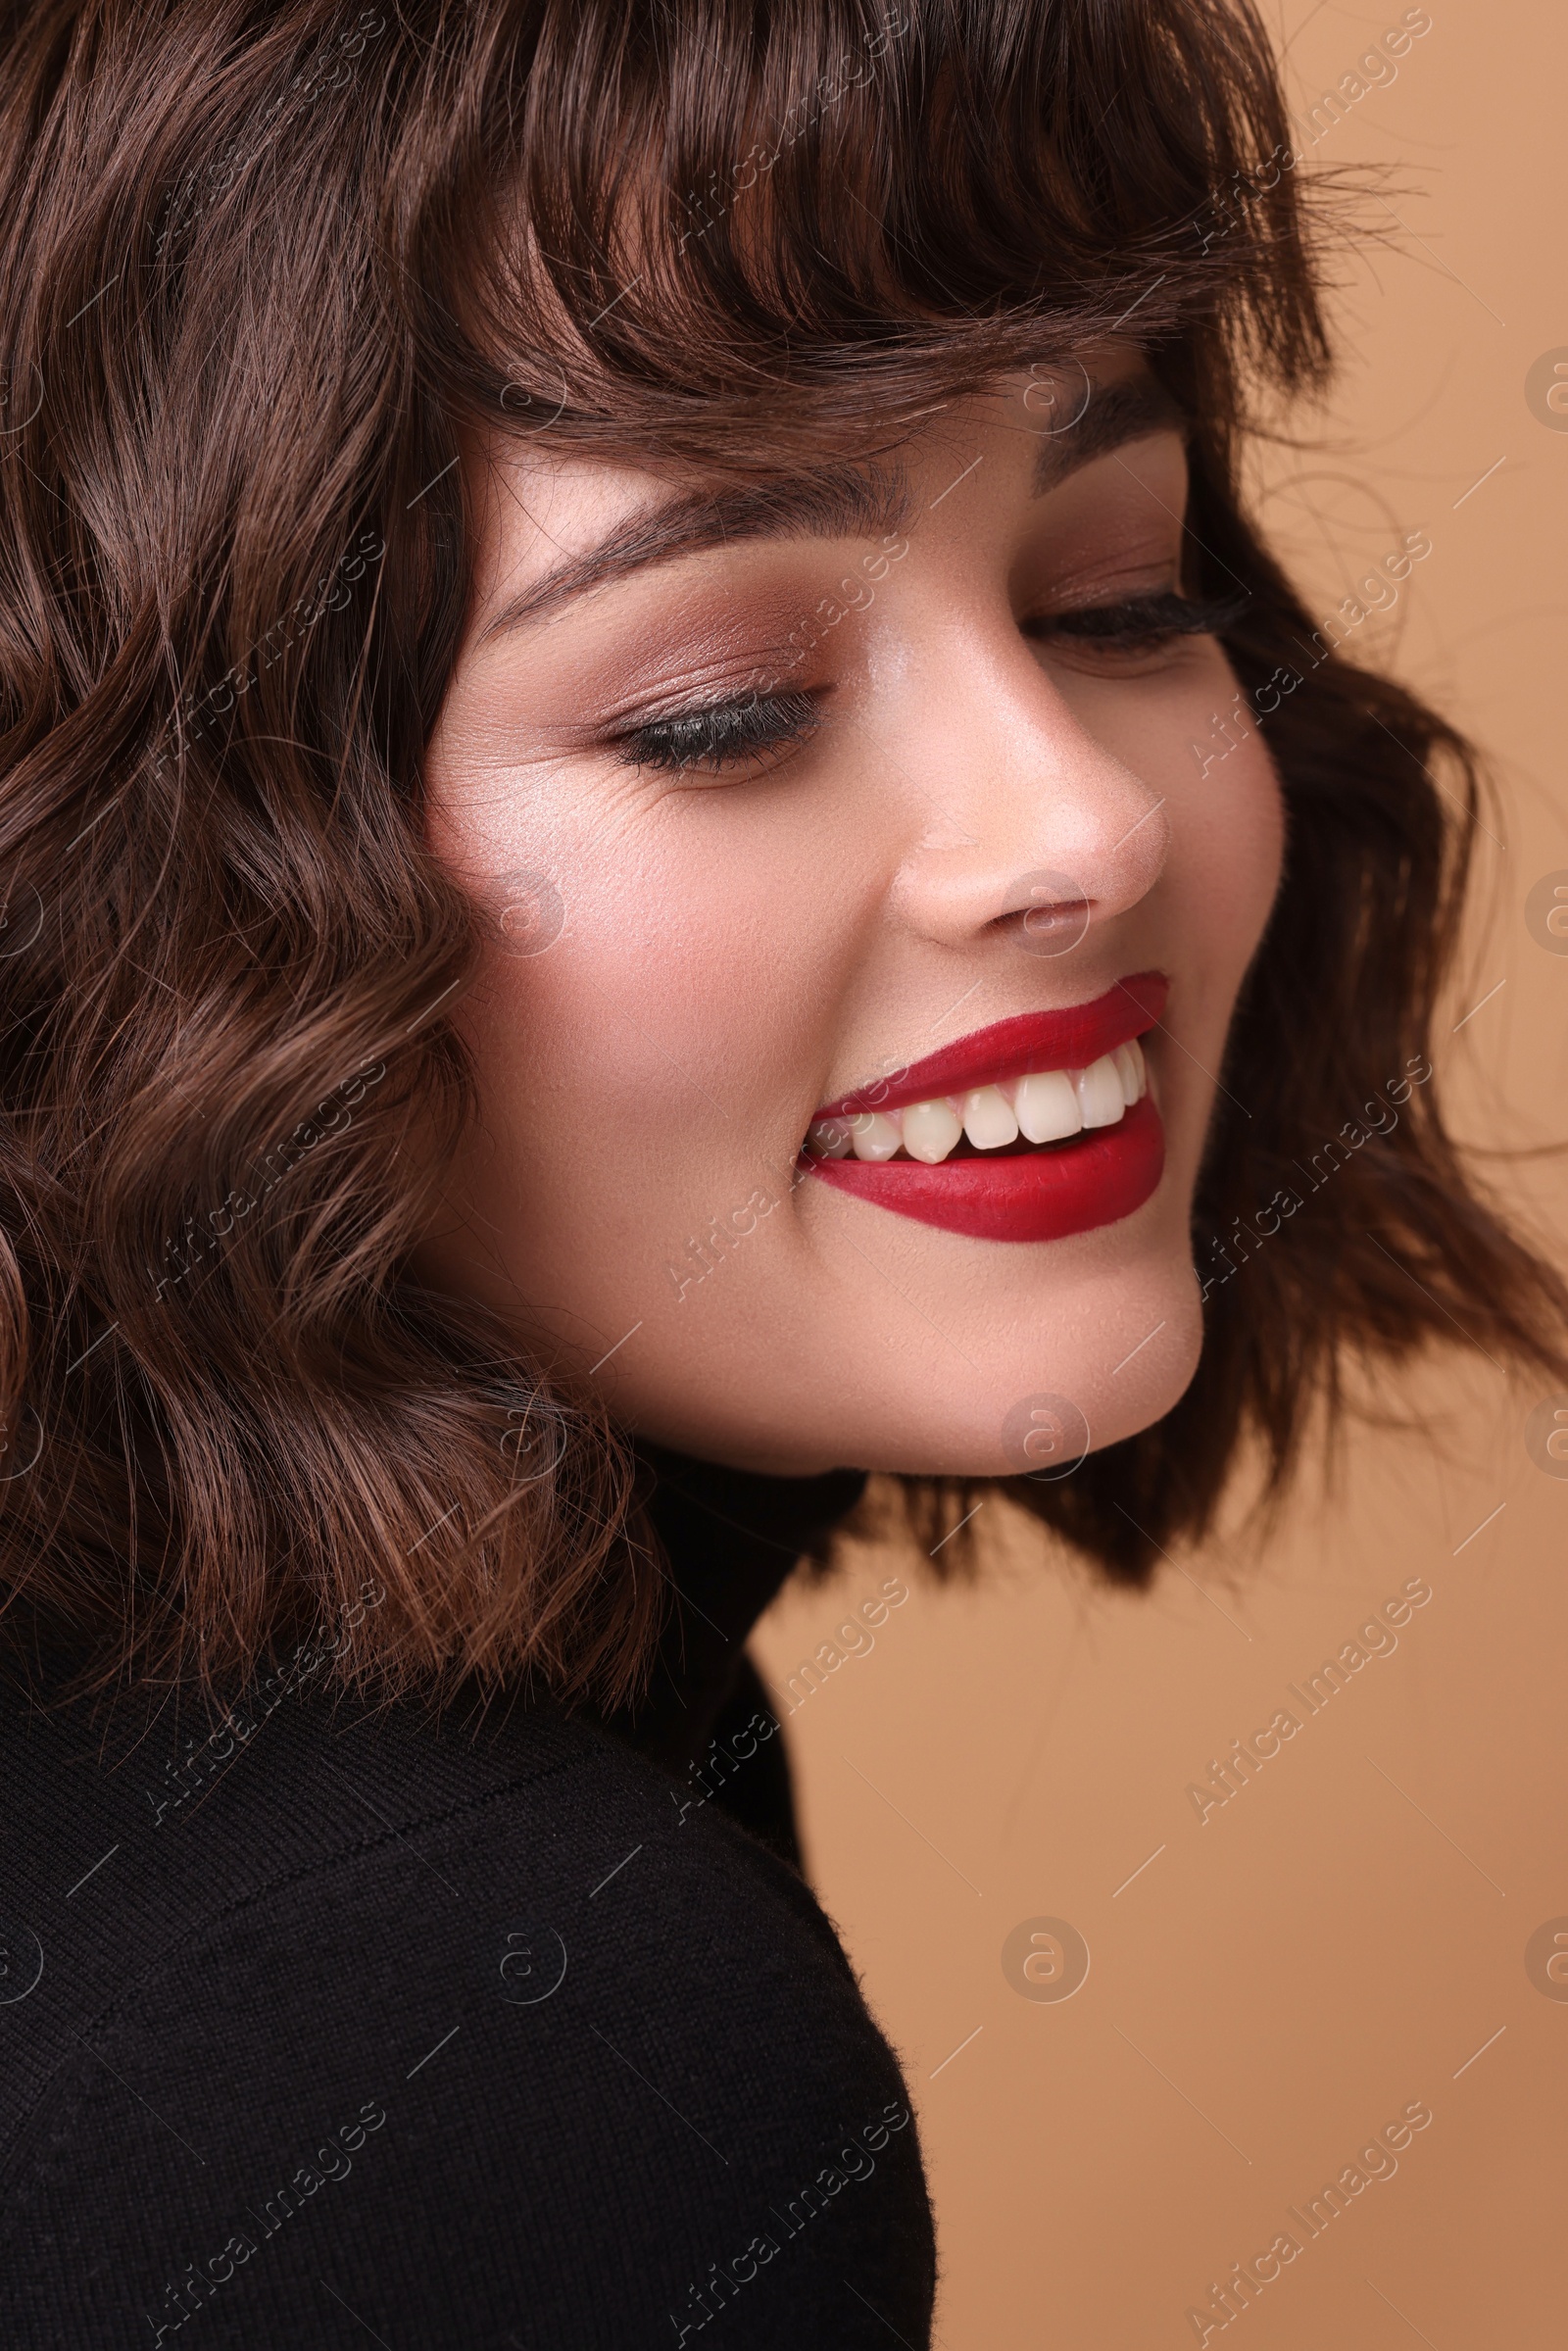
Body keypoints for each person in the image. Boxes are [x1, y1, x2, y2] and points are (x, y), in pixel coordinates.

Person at [0, 2, 1559, 2344]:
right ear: (128, 885)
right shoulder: (468, 2065)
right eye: (721, 708)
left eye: (1113, 595)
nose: (1081, 825)